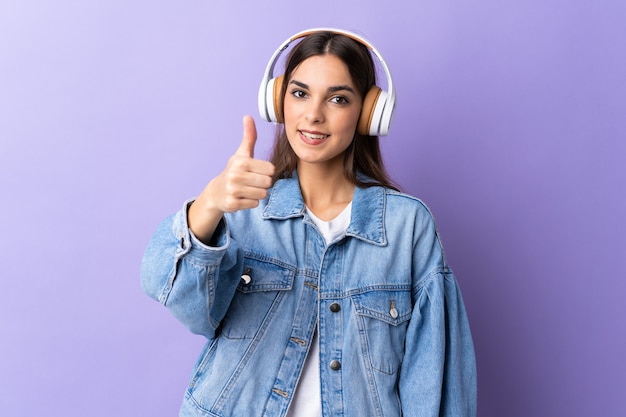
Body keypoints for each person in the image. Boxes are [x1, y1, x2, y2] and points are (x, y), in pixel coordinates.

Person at [141, 28, 477, 417]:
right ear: (278, 100)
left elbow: (434, 378)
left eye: (337, 98)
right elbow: (177, 297)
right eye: (300, 93)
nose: (314, 114)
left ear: (369, 113)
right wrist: (211, 202)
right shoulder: (243, 205)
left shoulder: (406, 227)